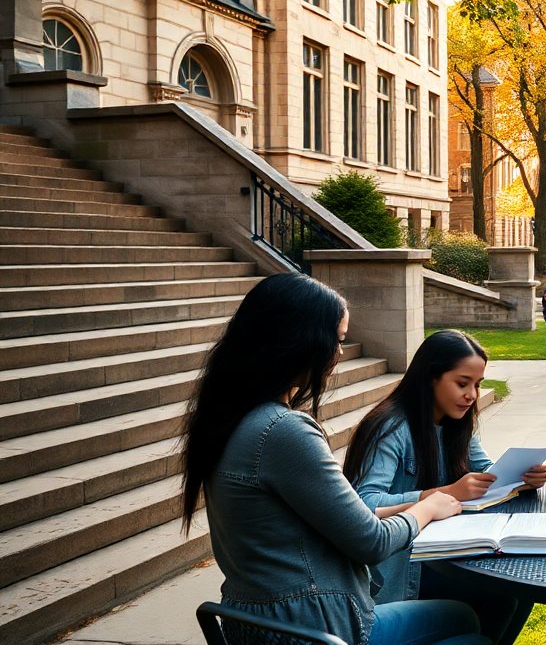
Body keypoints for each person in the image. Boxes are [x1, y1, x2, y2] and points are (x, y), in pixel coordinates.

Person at [179, 273, 490, 645]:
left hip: (256, 623)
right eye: (337, 340)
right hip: (314, 628)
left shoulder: (229, 419)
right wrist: (425, 508)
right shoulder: (283, 431)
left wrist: (415, 502)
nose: (339, 353)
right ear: (300, 340)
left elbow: (346, 517)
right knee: (468, 624)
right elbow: (370, 542)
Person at [344, 331, 546, 645]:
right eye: (462, 383)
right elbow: (363, 504)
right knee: (503, 596)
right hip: (403, 568)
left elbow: (488, 475)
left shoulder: (456, 424)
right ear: (430, 378)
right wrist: (445, 493)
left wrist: (522, 478)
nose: (472, 395)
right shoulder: (391, 426)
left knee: (519, 589)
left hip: (443, 550)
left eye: (477, 385)